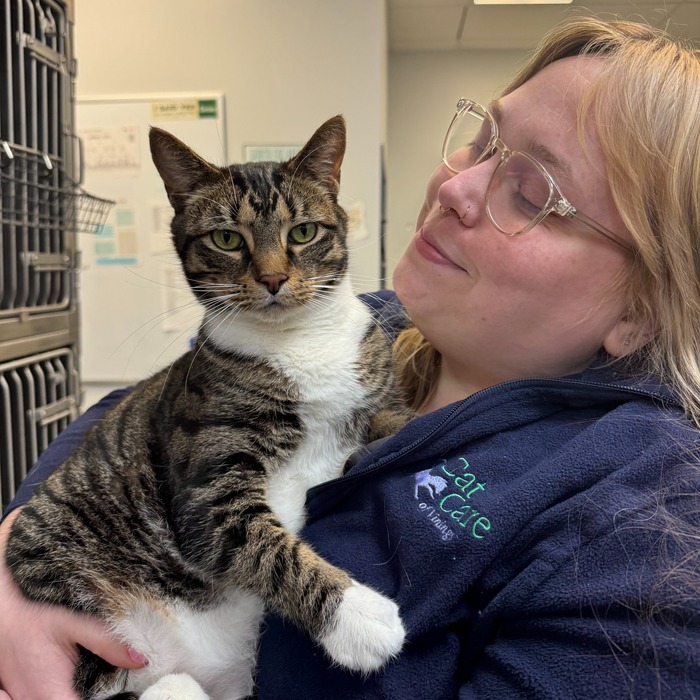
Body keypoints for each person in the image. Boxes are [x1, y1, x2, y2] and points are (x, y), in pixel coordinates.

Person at [1, 15, 700, 699]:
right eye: (481, 143)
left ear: (640, 310)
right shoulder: (363, 318)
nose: (452, 188)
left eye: (530, 192)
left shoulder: (646, 524)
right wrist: (12, 573)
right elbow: (126, 423)